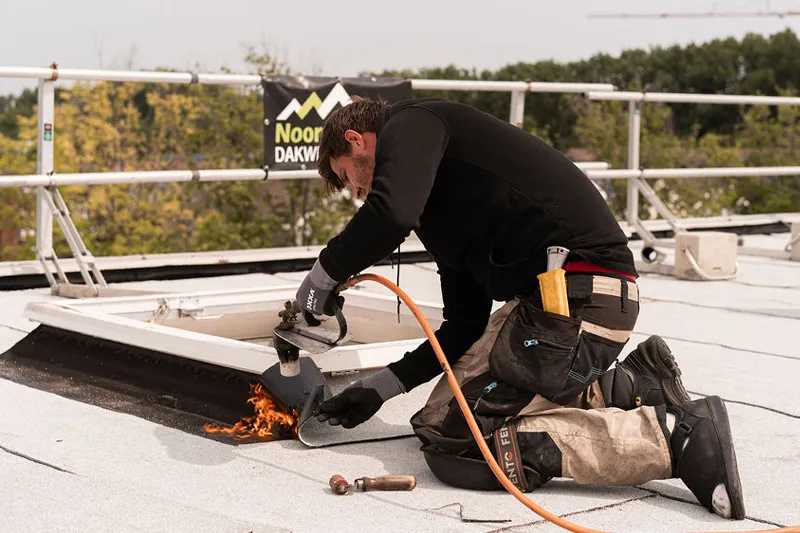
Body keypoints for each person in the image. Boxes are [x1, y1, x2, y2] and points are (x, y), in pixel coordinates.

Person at [294, 96, 745, 520]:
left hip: (581, 301)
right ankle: (630, 387)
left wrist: (323, 274)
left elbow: (389, 213)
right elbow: (463, 325)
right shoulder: (439, 208)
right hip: (571, 312)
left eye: (350, 174)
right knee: (436, 420)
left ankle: (672, 439)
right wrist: (380, 388)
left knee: (454, 442)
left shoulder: (412, 123)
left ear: (356, 139)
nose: (357, 190)